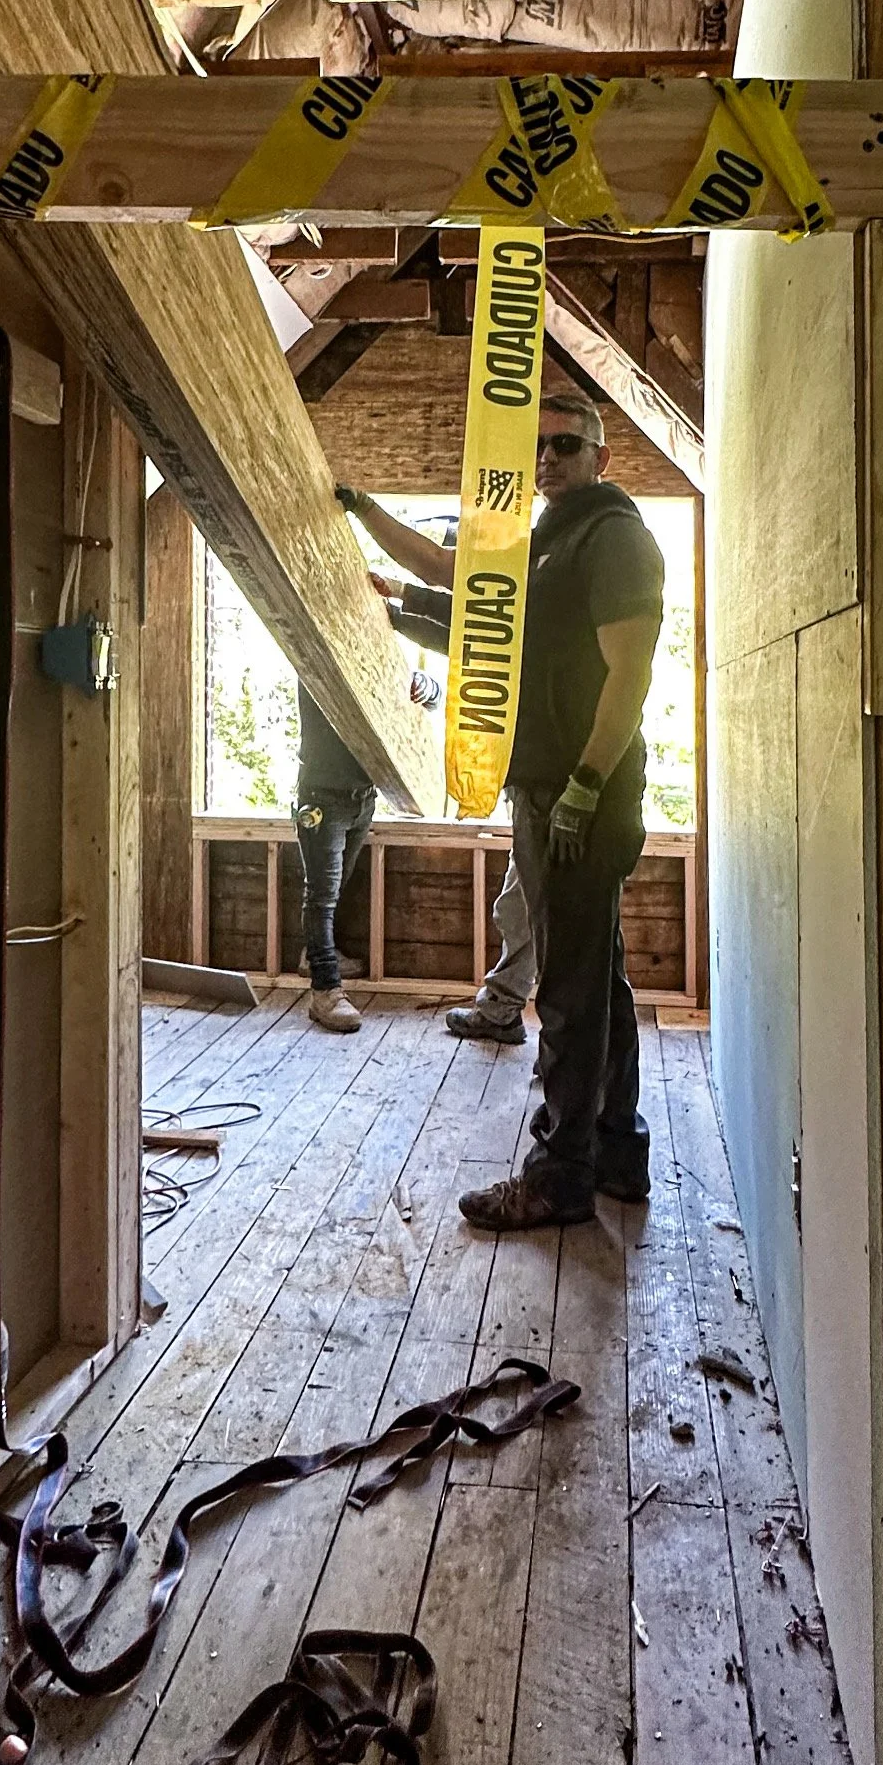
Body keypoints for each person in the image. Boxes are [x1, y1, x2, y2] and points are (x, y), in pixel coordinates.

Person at [389, 378, 666, 1229]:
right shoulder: (547, 541)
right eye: (537, 447)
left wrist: (584, 786)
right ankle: (619, 1154)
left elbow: (632, 672)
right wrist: (375, 536)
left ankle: (558, 1174)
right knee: (600, 981)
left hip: (582, 795)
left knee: (574, 993)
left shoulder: (613, 538)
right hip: (553, 789)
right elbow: (477, 607)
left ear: (600, 456)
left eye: (565, 445)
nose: (547, 459)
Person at [338, 487, 535, 1047]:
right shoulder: (502, 599)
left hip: (551, 777)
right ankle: (508, 1008)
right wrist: (397, 610)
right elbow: (457, 635)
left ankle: (506, 1009)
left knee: (522, 904)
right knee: (521, 901)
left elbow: (461, 619)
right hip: (533, 774)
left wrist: (401, 593)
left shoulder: (516, 590)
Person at [292, 662, 442, 1033]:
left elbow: (432, 701)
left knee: (335, 888)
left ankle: (316, 956)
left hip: (363, 797)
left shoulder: (375, 655)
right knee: (322, 895)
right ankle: (325, 991)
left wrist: (428, 689)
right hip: (322, 797)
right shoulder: (316, 654)